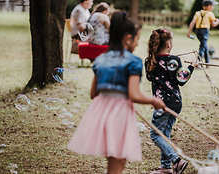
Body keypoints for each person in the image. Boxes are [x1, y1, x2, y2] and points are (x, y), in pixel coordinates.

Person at [68, 11, 166, 174]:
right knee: (118, 158)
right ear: (128, 38)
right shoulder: (133, 62)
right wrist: (153, 101)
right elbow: (134, 94)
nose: (136, 44)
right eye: (137, 40)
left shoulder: (100, 59)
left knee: (117, 159)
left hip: (101, 112)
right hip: (119, 113)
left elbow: (93, 94)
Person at [145, 27, 198, 174]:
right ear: (168, 44)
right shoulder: (174, 60)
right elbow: (181, 80)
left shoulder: (149, 61)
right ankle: (166, 167)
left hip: (162, 103)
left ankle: (177, 160)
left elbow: (150, 77)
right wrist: (191, 67)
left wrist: (160, 61)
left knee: (156, 134)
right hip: (175, 103)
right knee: (164, 134)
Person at [187, 0, 219, 64]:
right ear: (209, 6)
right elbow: (213, 24)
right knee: (202, 47)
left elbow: (192, 23)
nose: (213, 7)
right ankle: (198, 62)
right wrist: (218, 21)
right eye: (212, 6)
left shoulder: (197, 13)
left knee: (205, 46)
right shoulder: (210, 13)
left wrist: (189, 33)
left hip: (198, 31)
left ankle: (207, 62)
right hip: (205, 31)